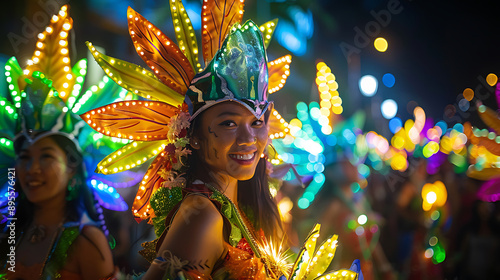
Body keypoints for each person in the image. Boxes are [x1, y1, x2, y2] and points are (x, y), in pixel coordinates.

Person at [0, 5, 133, 279]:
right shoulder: (10, 232)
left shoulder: (88, 241)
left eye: (46, 156)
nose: (31, 168)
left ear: (72, 166)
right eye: (24, 157)